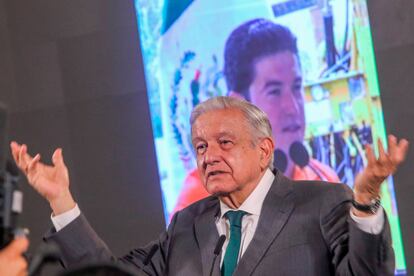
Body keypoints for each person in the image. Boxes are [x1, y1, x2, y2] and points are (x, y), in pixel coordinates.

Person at [10, 96, 408, 275]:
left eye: (225, 143)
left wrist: (367, 199)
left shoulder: (321, 202)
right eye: (200, 146)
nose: (209, 155)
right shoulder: (187, 226)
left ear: (264, 150)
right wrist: (61, 200)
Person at [173, 18, 339, 214]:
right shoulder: (200, 200)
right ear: (240, 106)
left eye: (296, 88)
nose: (292, 107)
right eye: (274, 92)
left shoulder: (324, 179)